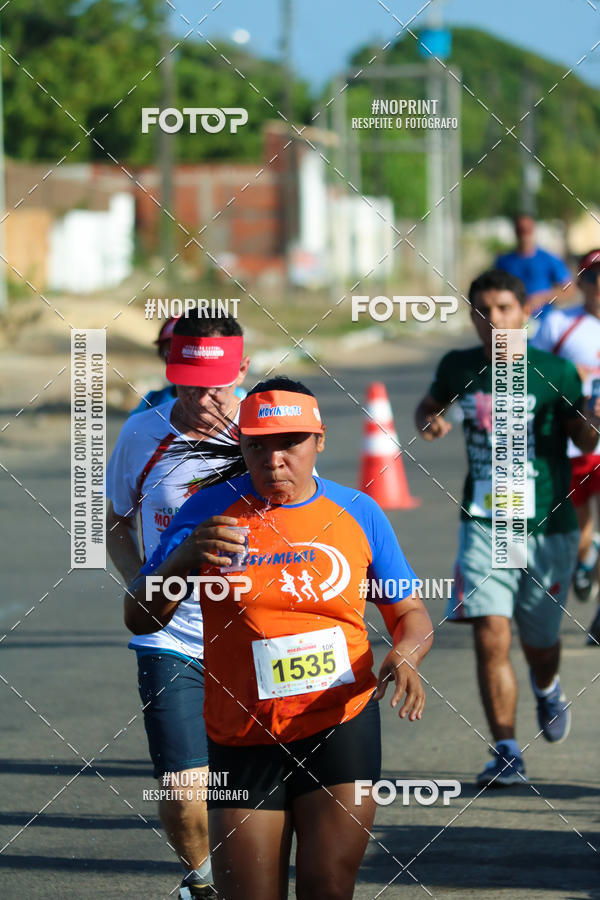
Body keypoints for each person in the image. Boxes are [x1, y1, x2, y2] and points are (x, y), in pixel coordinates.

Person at [125, 376, 434, 900]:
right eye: (257, 446)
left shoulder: (358, 513)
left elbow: (409, 611)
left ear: (319, 440)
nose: (273, 460)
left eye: (289, 443)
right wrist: (181, 559)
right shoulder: (206, 513)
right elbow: (140, 617)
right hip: (243, 733)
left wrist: (406, 653)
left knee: (329, 888)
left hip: (340, 721)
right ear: (241, 445)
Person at [414, 269, 600, 787]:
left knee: (540, 643)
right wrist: (430, 420)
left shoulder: (556, 371)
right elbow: (431, 405)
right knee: (491, 630)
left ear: (524, 314)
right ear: (473, 316)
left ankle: (547, 687)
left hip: (549, 525)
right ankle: (506, 749)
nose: (494, 321)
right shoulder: (459, 366)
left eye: (504, 310)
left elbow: (583, 441)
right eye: (483, 311)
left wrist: (593, 419)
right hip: (484, 520)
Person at [106, 310, 250, 899]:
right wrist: (143, 580)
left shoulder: (264, 432)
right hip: (170, 633)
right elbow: (114, 519)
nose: (205, 397)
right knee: (183, 788)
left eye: (219, 383)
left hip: (252, 630)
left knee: (254, 787)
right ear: (173, 372)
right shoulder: (142, 431)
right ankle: (203, 881)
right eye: (192, 382)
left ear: (242, 370)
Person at [531, 249, 600, 641]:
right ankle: (587, 560)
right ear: (582, 282)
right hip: (572, 445)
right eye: (594, 277)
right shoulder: (558, 324)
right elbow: (531, 372)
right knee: (579, 536)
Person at [495, 214, 574, 317]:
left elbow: (570, 288)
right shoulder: (503, 262)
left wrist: (544, 297)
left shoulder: (549, 259)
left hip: (543, 322)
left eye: (528, 230)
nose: (524, 234)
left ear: (534, 231)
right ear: (515, 232)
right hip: (513, 324)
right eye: (520, 230)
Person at [130, 316, 178, 415]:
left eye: (180, 348)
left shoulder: (213, 400)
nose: (173, 355)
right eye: (169, 348)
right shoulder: (153, 400)